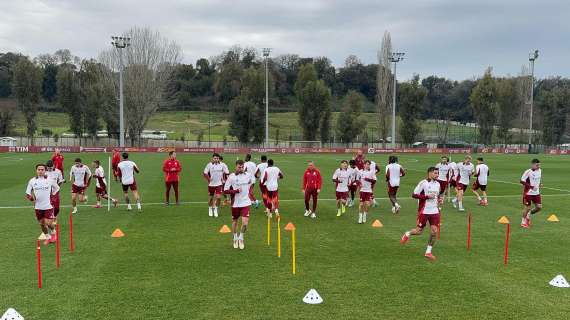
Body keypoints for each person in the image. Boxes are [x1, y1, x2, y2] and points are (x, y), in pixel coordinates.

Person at [400, 166, 441, 261]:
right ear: (429, 173)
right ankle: (407, 233)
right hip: (424, 211)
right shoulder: (423, 183)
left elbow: (436, 196)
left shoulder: (438, 184)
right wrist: (426, 196)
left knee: (434, 231)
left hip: (435, 211)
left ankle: (428, 252)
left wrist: (439, 200)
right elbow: (414, 195)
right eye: (435, 173)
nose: (437, 175)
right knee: (419, 231)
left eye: (437, 173)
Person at [223, 160, 255, 250]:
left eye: (242, 167)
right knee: (235, 222)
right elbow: (225, 190)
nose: (241, 169)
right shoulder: (231, 177)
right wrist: (235, 191)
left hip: (246, 202)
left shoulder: (248, 175)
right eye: (239, 167)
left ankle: (241, 238)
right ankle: (235, 238)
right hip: (236, 204)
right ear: (236, 167)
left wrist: (250, 192)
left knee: (245, 223)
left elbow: (252, 183)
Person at [26, 164, 60, 245]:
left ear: (45, 171)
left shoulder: (50, 179)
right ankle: (48, 237)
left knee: (48, 223)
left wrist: (53, 196)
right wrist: (30, 197)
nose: (40, 171)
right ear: (36, 170)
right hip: (38, 206)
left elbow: (57, 188)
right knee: (42, 223)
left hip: (48, 206)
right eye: (39, 169)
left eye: (42, 169)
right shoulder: (32, 181)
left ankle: (53, 232)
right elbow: (27, 192)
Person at [203, 153, 229, 217]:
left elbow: (227, 173)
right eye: (215, 158)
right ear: (212, 158)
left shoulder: (222, 165)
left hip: (219, 184)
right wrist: (209, 179)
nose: (216, 159)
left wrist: (229, 179)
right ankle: (210, 208)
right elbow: (205, 173)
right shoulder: (209, 165)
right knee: (211, 198)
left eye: (217, 158)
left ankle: (216, 209)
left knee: (219, 198)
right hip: (211, 185)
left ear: (218, 159)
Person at [520, 159, 542, 228]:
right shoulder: (528, 172)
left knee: (539, 207)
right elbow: (521, 181)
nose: (538, 166)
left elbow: (538, 179)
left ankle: (528, 215)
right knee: (527, 207)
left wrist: (540, 183)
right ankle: (523, 222)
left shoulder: (540, 171)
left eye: (539, 165)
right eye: (537, 165)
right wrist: (531, 187)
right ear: (532, 164)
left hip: (536, 193)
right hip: (528, 193)